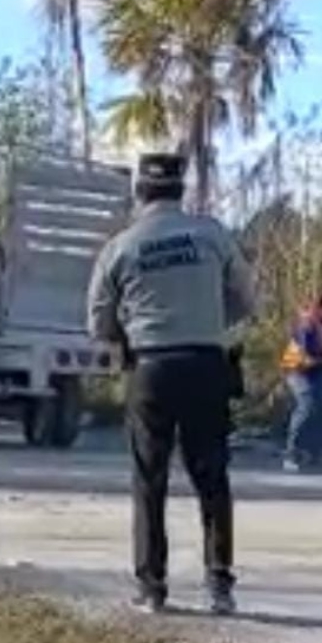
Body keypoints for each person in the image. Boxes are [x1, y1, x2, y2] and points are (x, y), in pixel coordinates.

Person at [87, 152, 257, 615]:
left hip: (151, 368)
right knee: (213, 477)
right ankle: (220, 584)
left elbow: (98, 323)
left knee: (149, 478)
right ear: (181, 191)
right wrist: (209, 320)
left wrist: (133, 333)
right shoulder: (212, 235)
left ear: (140, 191)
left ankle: (152, 587)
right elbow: (247, 298)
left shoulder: (120, 247)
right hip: (206, 363)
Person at [279, 287, 322, 472]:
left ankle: (310, 450)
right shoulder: (306, 326)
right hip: (296, 371)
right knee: (306, 405)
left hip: (316, 372)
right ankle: (290, 453)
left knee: (321, 407)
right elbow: (304, 361)